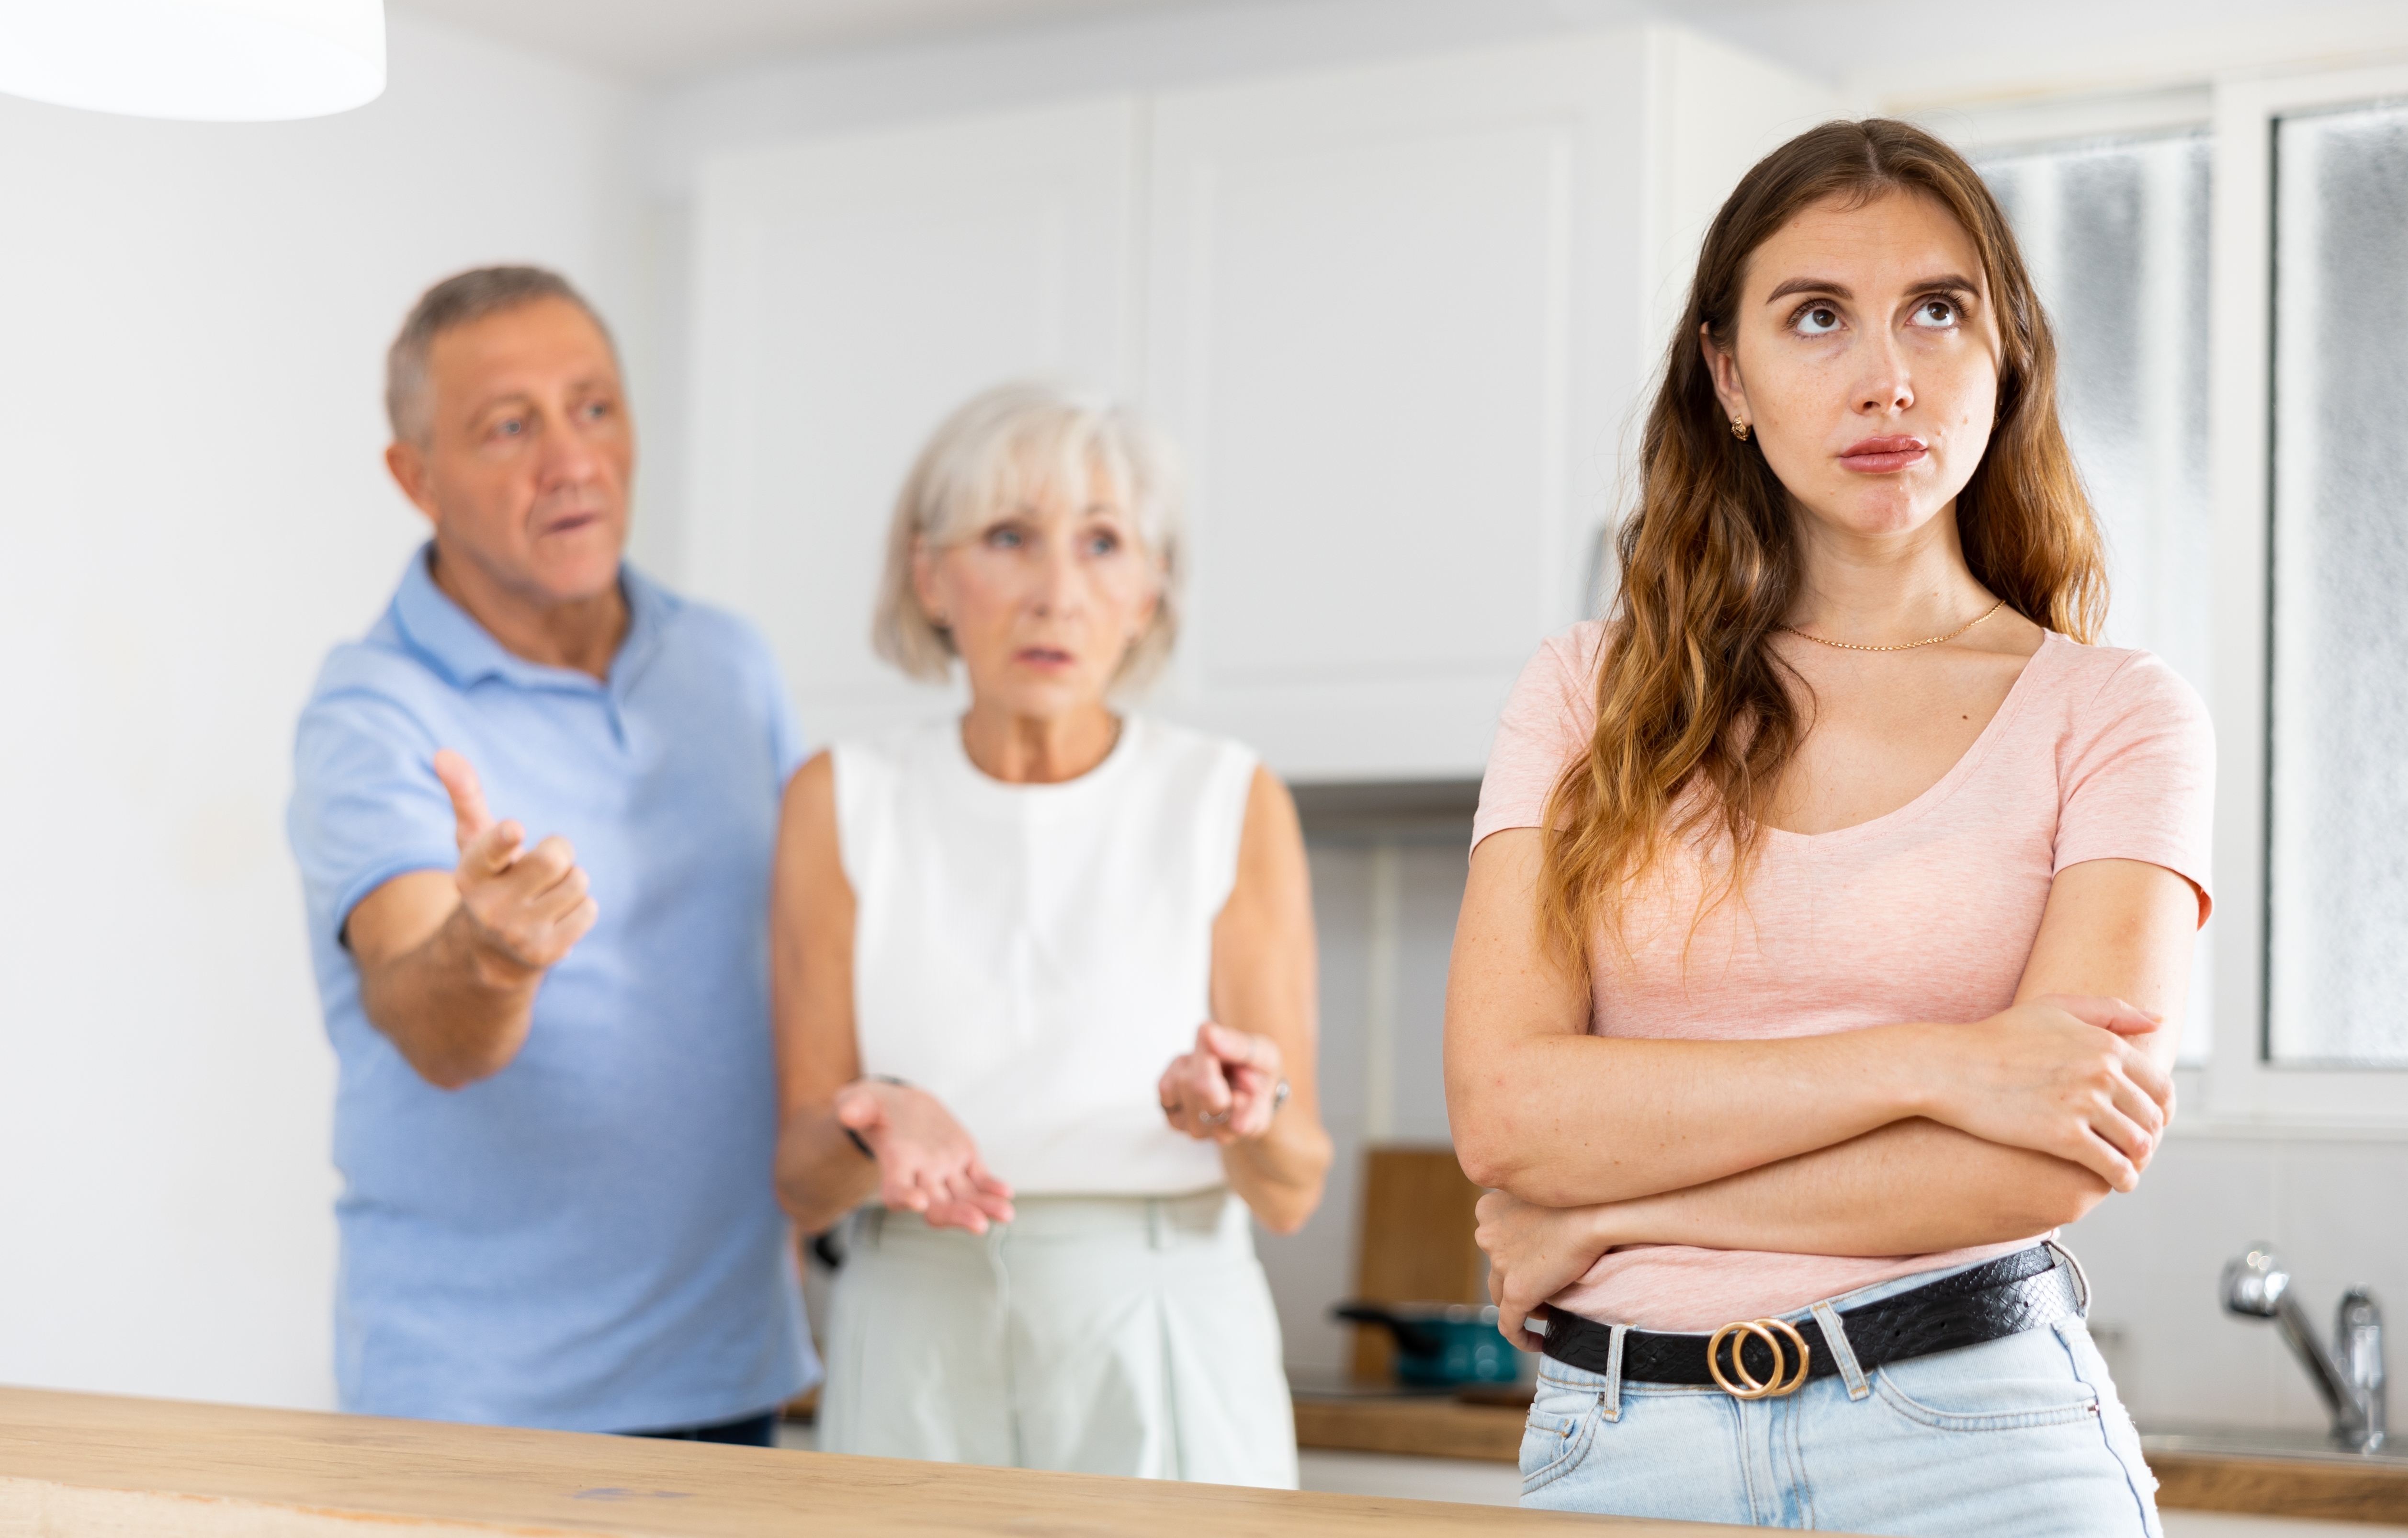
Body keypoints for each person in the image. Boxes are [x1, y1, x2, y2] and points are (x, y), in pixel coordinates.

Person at [1445, 120, 2212, 1535]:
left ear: (2006, 355)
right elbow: (1507, 1113)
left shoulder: (2114, 713)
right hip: (1623, 1446)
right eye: (1815, 317)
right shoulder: (1580, 693)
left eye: (1937, 310)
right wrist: (1944, 1060)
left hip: (1978, 1445)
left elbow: (2047, 1154)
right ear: (1727, 377)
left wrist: (1609, 1211)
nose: (1886, 377)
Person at [771, 385, 1330, 1488]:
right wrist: (875, 1113)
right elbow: (801, 1180)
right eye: (1008, 536)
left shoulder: (1226, 797)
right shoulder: (839, 798)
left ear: (1150, 589)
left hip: (1163, 1321)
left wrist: (1243, 1108)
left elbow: (1291, 1185)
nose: (1057, 593)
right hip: (912, 1322)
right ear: (930, 576)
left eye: (1103, 543)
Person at [288, 266, 812, 1441]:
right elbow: (430, 1023)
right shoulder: (374, 711)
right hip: (480, 1404)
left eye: (594, 407)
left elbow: (803, 964)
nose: (572, 460)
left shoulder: (730, 663)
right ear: (416, 477)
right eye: (509, 426)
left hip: (731, 1369)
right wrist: (492, 951)